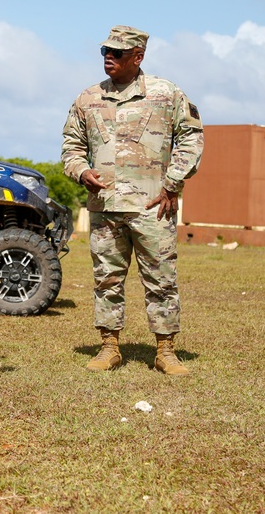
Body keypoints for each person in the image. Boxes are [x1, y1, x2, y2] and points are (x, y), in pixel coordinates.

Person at [61, 25, 204, 376]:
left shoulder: (166, 94)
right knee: (106, 279)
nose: (109, 57)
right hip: (105, 208)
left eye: (118, 53)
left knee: (161, 279)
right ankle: (109, 346)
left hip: (153, 207)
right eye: (105, 52)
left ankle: (165, 350)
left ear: (138, 56)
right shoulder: (87, 99)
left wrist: (173, 184)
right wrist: (81, 172)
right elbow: (71, 148)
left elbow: (192, 139)